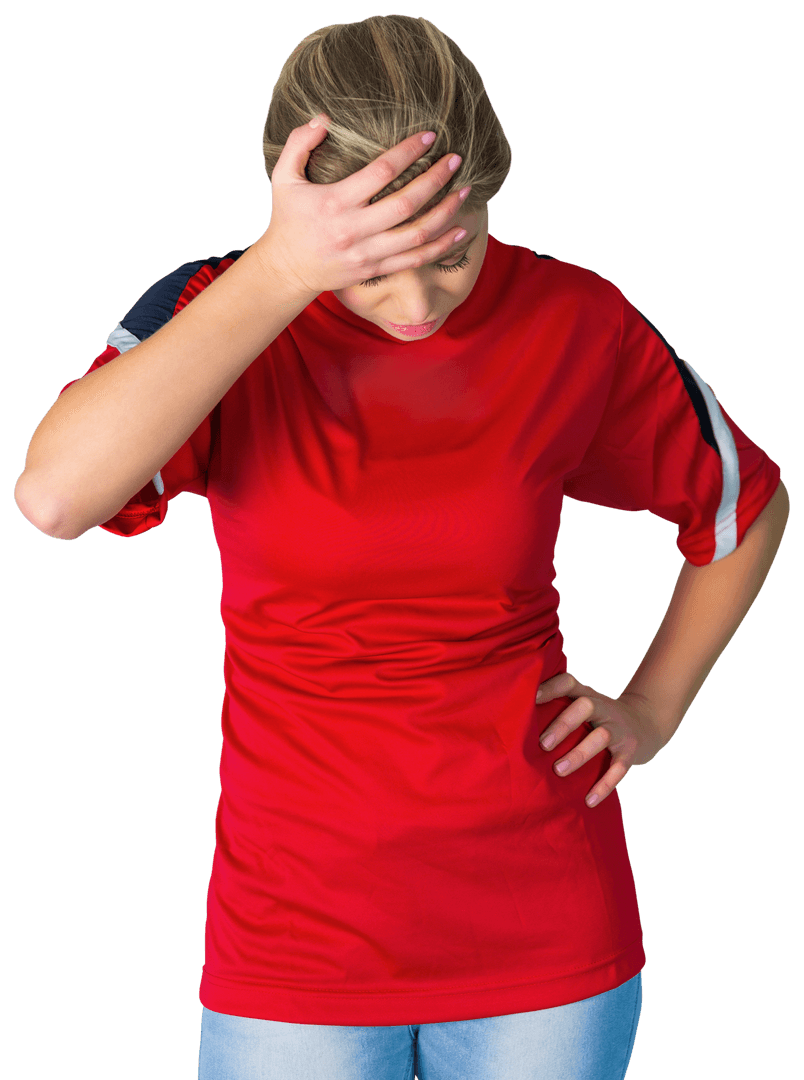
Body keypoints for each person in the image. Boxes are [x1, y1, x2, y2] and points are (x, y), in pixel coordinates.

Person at [14, 14, 788, 1080]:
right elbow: (54, 497)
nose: (417, 305)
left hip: (546, 923)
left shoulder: (575, 319)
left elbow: (742, 505)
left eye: (451, 253)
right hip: (294, 932)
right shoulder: (218, 313)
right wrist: (283, 271)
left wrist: (651, 710)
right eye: (372, 269)